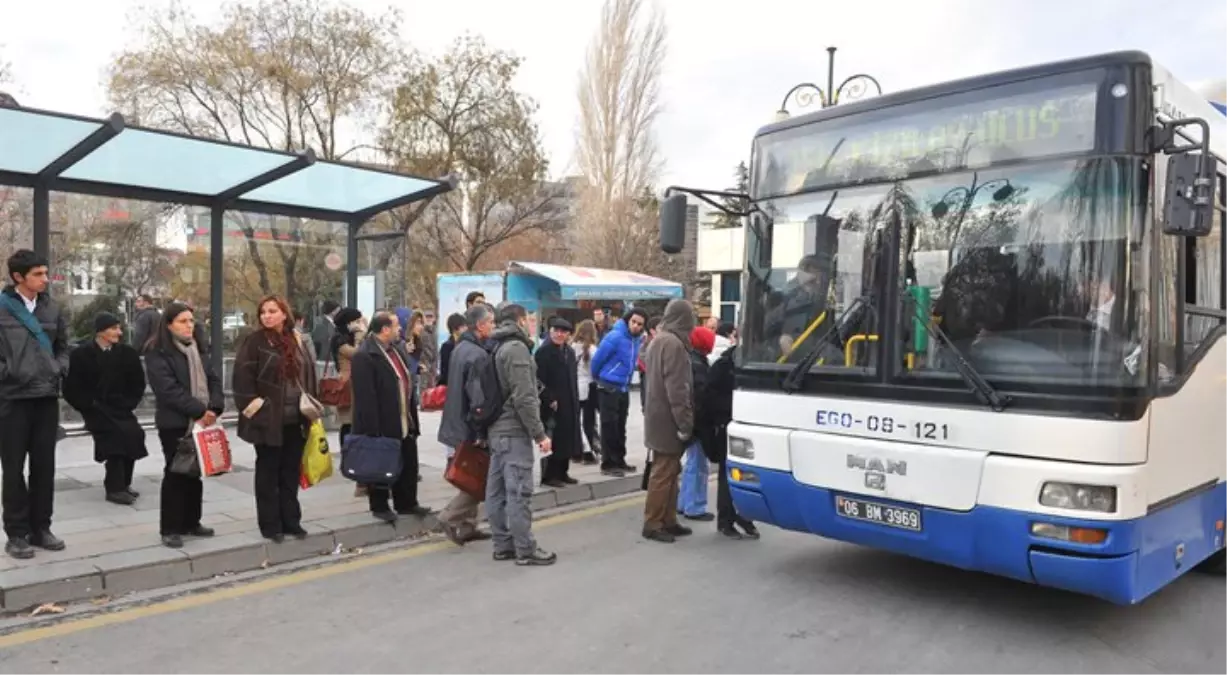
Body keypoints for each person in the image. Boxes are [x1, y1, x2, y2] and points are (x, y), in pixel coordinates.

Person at [0, 250, 71, 559]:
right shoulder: (3, 308)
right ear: (18, 277)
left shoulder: (51, 308)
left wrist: (58, 368)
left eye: (45, 273)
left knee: (44, 467)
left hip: (45, 397)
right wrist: (10, 373)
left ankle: (41, 528)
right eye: (38, 274)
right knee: (13, 468)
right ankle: (16, 534)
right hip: (12, 399)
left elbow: (64, 346)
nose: (45, 279)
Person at [233, 296, 318, 543]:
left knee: (290, 472)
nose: (267, 316)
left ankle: (291, 521)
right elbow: (242, 378)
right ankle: (270, 525)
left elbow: (309, 373)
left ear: (284, 314)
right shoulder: (255, 341)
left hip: (296, 417)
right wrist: (256, 408)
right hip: (268, 419)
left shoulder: (297, 339)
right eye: (263, 312)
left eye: (272, 311)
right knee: (268, 474)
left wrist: (312, 406)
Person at [144, 303, 224, 549]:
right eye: (182, 321)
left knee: (194, 473)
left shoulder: (197, 348)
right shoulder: (157, 352)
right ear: (168, 325)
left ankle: (192, 521)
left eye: (191, 320)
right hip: (175, 422)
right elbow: (167, 390)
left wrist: (215, 407)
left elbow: (213, 379)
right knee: (176, 472)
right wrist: (200, 410)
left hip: (202, 421)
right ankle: (170, 528)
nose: (189, 325)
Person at [487, 303, 556, 566]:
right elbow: (524, 397)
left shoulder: (496, 345)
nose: (530, 323)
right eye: (528, 318)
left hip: (497, 429)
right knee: (518, 492)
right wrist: (539, 434)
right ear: (519, 320)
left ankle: (502, 544)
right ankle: (525, 549)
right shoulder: (516, 348)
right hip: (513, 430)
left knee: (496, 492)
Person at [350, 312, 431, 522]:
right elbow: (365, 396)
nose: (400, 329)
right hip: (382, 421)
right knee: (381, 463)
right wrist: (373, 429)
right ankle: (380, 505)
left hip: (404, 417)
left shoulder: (395, 350)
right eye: (396, 326)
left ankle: (407, 502)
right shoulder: (365, 355)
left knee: (408, 461)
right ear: (385, 329)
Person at [63, 312, 148, 506]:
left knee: (134, 433)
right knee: (115, 435)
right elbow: (71, 387)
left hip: (121, 407)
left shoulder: (127, 353)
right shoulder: (81, 355)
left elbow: (137, 384)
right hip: (95, 409)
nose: (119, 332)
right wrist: (87, 405)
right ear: (100, 332)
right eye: (114, 328)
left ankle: (124, 483)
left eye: (119, 328)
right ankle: (114, 488)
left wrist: (128, 403)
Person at [437, 303, 497, 546]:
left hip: (455, 420)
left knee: (472, 474)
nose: (493, 326)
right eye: (491, 322)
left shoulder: (461, 348)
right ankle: (450, 516)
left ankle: (468, 526)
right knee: (479, 479)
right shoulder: (477, 355)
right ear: (480, 326)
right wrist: (481, 430)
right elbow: (477, 398)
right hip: (469, 425)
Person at [641, 299, 696, 543]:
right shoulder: (674, 344)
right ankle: (653, 522)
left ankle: (668, 519)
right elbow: (678, 389)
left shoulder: (658, 340)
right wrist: (685, 423)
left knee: (671, 471)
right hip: (668, 419)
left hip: (656, 414)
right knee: (664, 473)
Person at [704, 343, 759, 540]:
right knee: (727, 475)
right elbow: (709, 399)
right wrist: (736, 405)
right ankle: (726, 519)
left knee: (747, 474)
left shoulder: (753, 364)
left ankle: (743, 515)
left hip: (746, 426)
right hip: (725, 426)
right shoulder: (722, 367)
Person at [590, 308, 647, 477]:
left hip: (623, 387)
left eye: (640, 324)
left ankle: (619, 460)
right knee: (609, 426)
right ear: (628, 320)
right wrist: (601, 378)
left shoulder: (636, 340)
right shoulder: (615, 336)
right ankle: (608, 463)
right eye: (634, 322)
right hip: (608, 385)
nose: (636, 326)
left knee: (620, 426)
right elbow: (597, 360)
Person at [535, 317, 580, 488]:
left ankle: (563, 472)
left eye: (563, 332)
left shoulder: (569, 352)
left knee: (567, 437)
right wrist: (549, 398)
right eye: (556, 330)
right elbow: (538, 380)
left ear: (568, 334)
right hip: (551, 404)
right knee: (553, 438)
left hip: (569, 400)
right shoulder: (543, 352)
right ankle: (549, 475)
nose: (559, 334)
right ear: (550, 331)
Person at [678, 326, 714, 521]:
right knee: (698, 465)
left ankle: (683, 502)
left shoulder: (690, 360)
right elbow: (700, 397)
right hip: (698, 423)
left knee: (691, 463)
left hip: (690, 421)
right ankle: (694, 506)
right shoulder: (699, 365)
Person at [328, 307, 365, 450]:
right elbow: (356, 354)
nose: (359, 324)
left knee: (354, 422)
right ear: (349, 322)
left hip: (355, 382)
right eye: (357, 321)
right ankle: (346, 450)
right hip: (346, 384)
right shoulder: (339, 339)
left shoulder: (348, 337)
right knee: (347, 422)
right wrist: (359, 335)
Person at [572, 319, 600, 465]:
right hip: (589, 387)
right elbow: (596, 370)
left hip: (575, 386)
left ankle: (578, 450)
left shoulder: (571, 347)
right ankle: (588, 450)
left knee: (577, 420)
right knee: (588, 421)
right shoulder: (593, 349)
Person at [637, 315, 662, 412]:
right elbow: (644, 362)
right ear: (652, 331)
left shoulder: (661, 342)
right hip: (649, 383)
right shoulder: (645, 345)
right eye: (661, 327)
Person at [437, 312, 467, 386]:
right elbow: (445, 371)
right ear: (455, 328)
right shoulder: (447, 347)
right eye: (463, 326)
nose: (466, 328)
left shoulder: (466, 344)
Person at [420, 310, 438, 389]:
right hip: (424, 367)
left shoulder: (434, 332)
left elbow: (435, 351)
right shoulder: (422, 332)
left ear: (434, 319)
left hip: (432, 368)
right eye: (427, 317)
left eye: (431, 317)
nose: (429, 319)